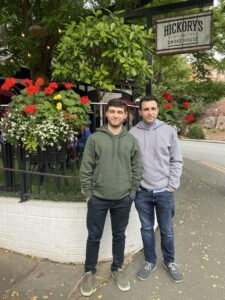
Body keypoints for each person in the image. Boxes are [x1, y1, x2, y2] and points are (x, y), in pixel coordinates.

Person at [79, 99, 142, 297]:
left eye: (119, 112)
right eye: (112, 111)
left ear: (125, 116)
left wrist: (131, 194)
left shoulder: (131, 140)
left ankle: (117, 268)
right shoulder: (95, 139)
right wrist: (88, 194)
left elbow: (137, 168)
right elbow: (86, 168)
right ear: (106, 114)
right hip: (98, 198)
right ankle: (89, 271)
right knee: (94, 237)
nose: (115, 115)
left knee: (119, 236)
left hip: (123, 199)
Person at [129, 95, 183, 283]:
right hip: (142, 193)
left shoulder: (168, 131)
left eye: (153, 108)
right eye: (146, 109)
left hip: (164, 193)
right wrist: (134, 187)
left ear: (157, 110)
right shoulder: (133, 133)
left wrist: (171, 186)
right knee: (146, 229)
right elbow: (129, 163)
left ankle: (170, 262)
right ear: (140, 111)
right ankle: (149, 261)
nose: (150, 112)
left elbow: (176, 160)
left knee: (167, 230)